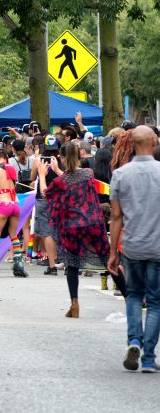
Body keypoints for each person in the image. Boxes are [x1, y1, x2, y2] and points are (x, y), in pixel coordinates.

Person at [108, 125, 160, 372]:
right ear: (153, 142)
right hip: (158, 246)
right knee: (156, 302)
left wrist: (112, 252)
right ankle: (149, 358)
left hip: (131, 246)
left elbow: (116, 217)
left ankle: (135, 340)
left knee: (133, 295)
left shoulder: (120, 175)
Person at [39, 141, 110, 319]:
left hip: (72, 227)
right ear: (78, 155)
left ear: (62, 158)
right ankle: (128, 296)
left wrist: (42, 174)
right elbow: (73, 180)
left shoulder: (59, 181)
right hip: (93, 224)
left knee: (72, 265)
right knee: (109, 261)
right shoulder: (88, 174)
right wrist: (57, 170)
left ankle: (75, 304)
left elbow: (45, 193)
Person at [0, 147, 28, 278]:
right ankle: (19, 264)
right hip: (15, 204)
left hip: (4, 204)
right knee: (13, 235)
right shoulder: (12, 168)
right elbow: (10, 186)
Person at [31, 135, 62, 274]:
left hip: (43, 199)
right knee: (59, 230)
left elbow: (32, 178)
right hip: (60, 198)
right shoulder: (61, 160)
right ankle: (63, 260)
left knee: (46, 231)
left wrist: (39, 168)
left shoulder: (38, 160)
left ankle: (52, 265)